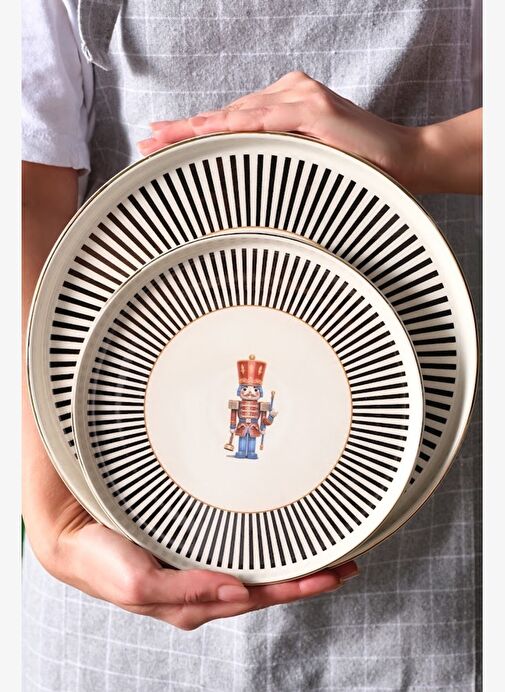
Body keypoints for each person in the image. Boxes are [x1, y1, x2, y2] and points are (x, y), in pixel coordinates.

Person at [22, 1, 482, 689]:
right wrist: (57, 517)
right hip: (112, 505)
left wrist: (428, 152)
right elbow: (27, 186)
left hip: (432, 513)